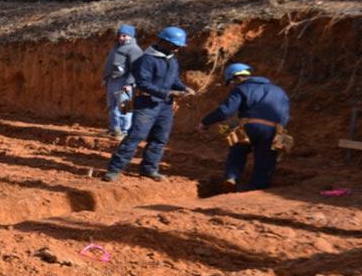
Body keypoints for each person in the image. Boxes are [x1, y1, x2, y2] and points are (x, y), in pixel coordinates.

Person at [104, 26, 195, 182]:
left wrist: (183, 88)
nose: (177, 49)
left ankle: (149, 169)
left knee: (160, 139)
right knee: (135, 136)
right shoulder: (146, 60)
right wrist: (168, 93)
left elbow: (174, 80)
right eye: (175, 45)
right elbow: (143, 84)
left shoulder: (172, 60)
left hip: (165, 106)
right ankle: (114, 169)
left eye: (179, 46)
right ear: (163, 42)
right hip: (147, 104)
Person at [197, 63, 290, 190]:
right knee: (265, 160)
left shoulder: (242, 88)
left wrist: (205, 122)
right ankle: (257, 187)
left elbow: (225, 111)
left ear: (235, 78)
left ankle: (231, 177)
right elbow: (284, 115)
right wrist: (280, 132)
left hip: (249, 126)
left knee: (238, 150)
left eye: (231, 83)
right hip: (273, 128)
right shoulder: (279, 91)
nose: (232, 86)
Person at [103, 24, 144, 140]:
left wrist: (129, 83)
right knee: (112, 107)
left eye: (124, 36)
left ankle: (125, 131)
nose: (121, 38)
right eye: (120, 35)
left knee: (124, 108)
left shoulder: (134, 49)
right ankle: (114, 129)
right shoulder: (117, 47)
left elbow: (136, 68)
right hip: (112, 80)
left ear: (130, 36)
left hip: (123, 81)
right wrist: (106, 78)